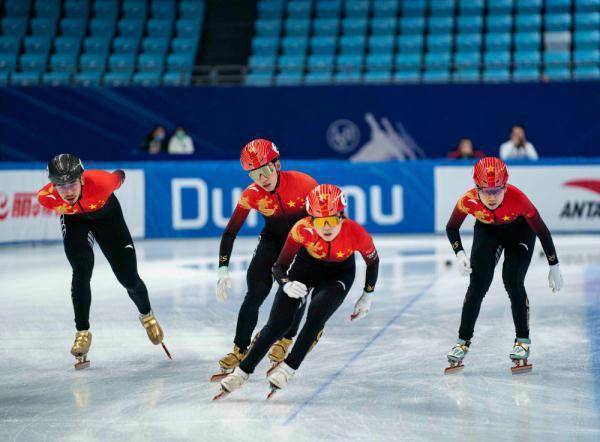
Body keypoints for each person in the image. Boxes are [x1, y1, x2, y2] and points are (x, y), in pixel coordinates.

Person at [215, 184, 380, 399]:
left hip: (338, 274)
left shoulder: (356, 232)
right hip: (306, 267)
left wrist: (367, 294)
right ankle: (242, 372)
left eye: (332, 219)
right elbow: (278, 266)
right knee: (278, 323)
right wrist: (285, 283)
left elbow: (373, 262)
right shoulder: (301, 229)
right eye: (320, 221)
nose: (327, 227)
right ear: (311, 219)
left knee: (317, 313)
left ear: (342, 216)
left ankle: (288, 368)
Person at [37, 154, 169, 369]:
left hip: (108, 220)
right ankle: (82, 333)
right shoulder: (46, 198)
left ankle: (148, 316)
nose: (68, 192)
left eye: (71, 183)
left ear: (81, 179)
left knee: (128, 278)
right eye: (60, 186)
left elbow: (120, 175)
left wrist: (118, 176)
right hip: (76, 223)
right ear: (53, 185)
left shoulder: (102, 182)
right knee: (81, 270)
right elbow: (64, 203)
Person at [444, 157, 563, 373]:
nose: (491, 197)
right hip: (487, 231)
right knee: (478, 284)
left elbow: (542, 231)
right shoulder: (468, 200)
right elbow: (451, 227)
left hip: (520, 232)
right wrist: (459, 253)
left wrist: (553, 265)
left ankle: (522, 340)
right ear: (476, 187)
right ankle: (462, 341)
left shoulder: (518, 199)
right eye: (485, 191)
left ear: (505, 186)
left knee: (512, 279)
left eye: (497, 190)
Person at [212, 139, 318, 380]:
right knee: (255, 292)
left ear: (277, 164)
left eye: (266, 170)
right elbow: (230, 232)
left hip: (302, 243)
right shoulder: (251, 195)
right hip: (272, 241)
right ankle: (240, 349)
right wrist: (222, 269)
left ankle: (286, 339)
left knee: (298, 291)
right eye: (254, 174)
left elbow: (326, 219)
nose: (262, 178)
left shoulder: (305, 183)